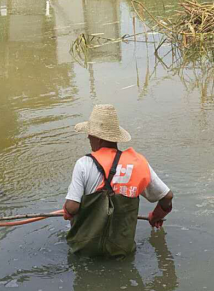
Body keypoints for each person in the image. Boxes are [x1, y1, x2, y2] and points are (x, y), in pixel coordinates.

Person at [63, 104, 173, 258]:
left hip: (85, 252)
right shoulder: (137, 164)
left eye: (90, 134)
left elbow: (72, 207)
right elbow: (167, 197)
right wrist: (155, 217)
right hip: (122, 252)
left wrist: (67, 211)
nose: (88, 137)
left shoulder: (84, 164)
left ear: (99, 138)